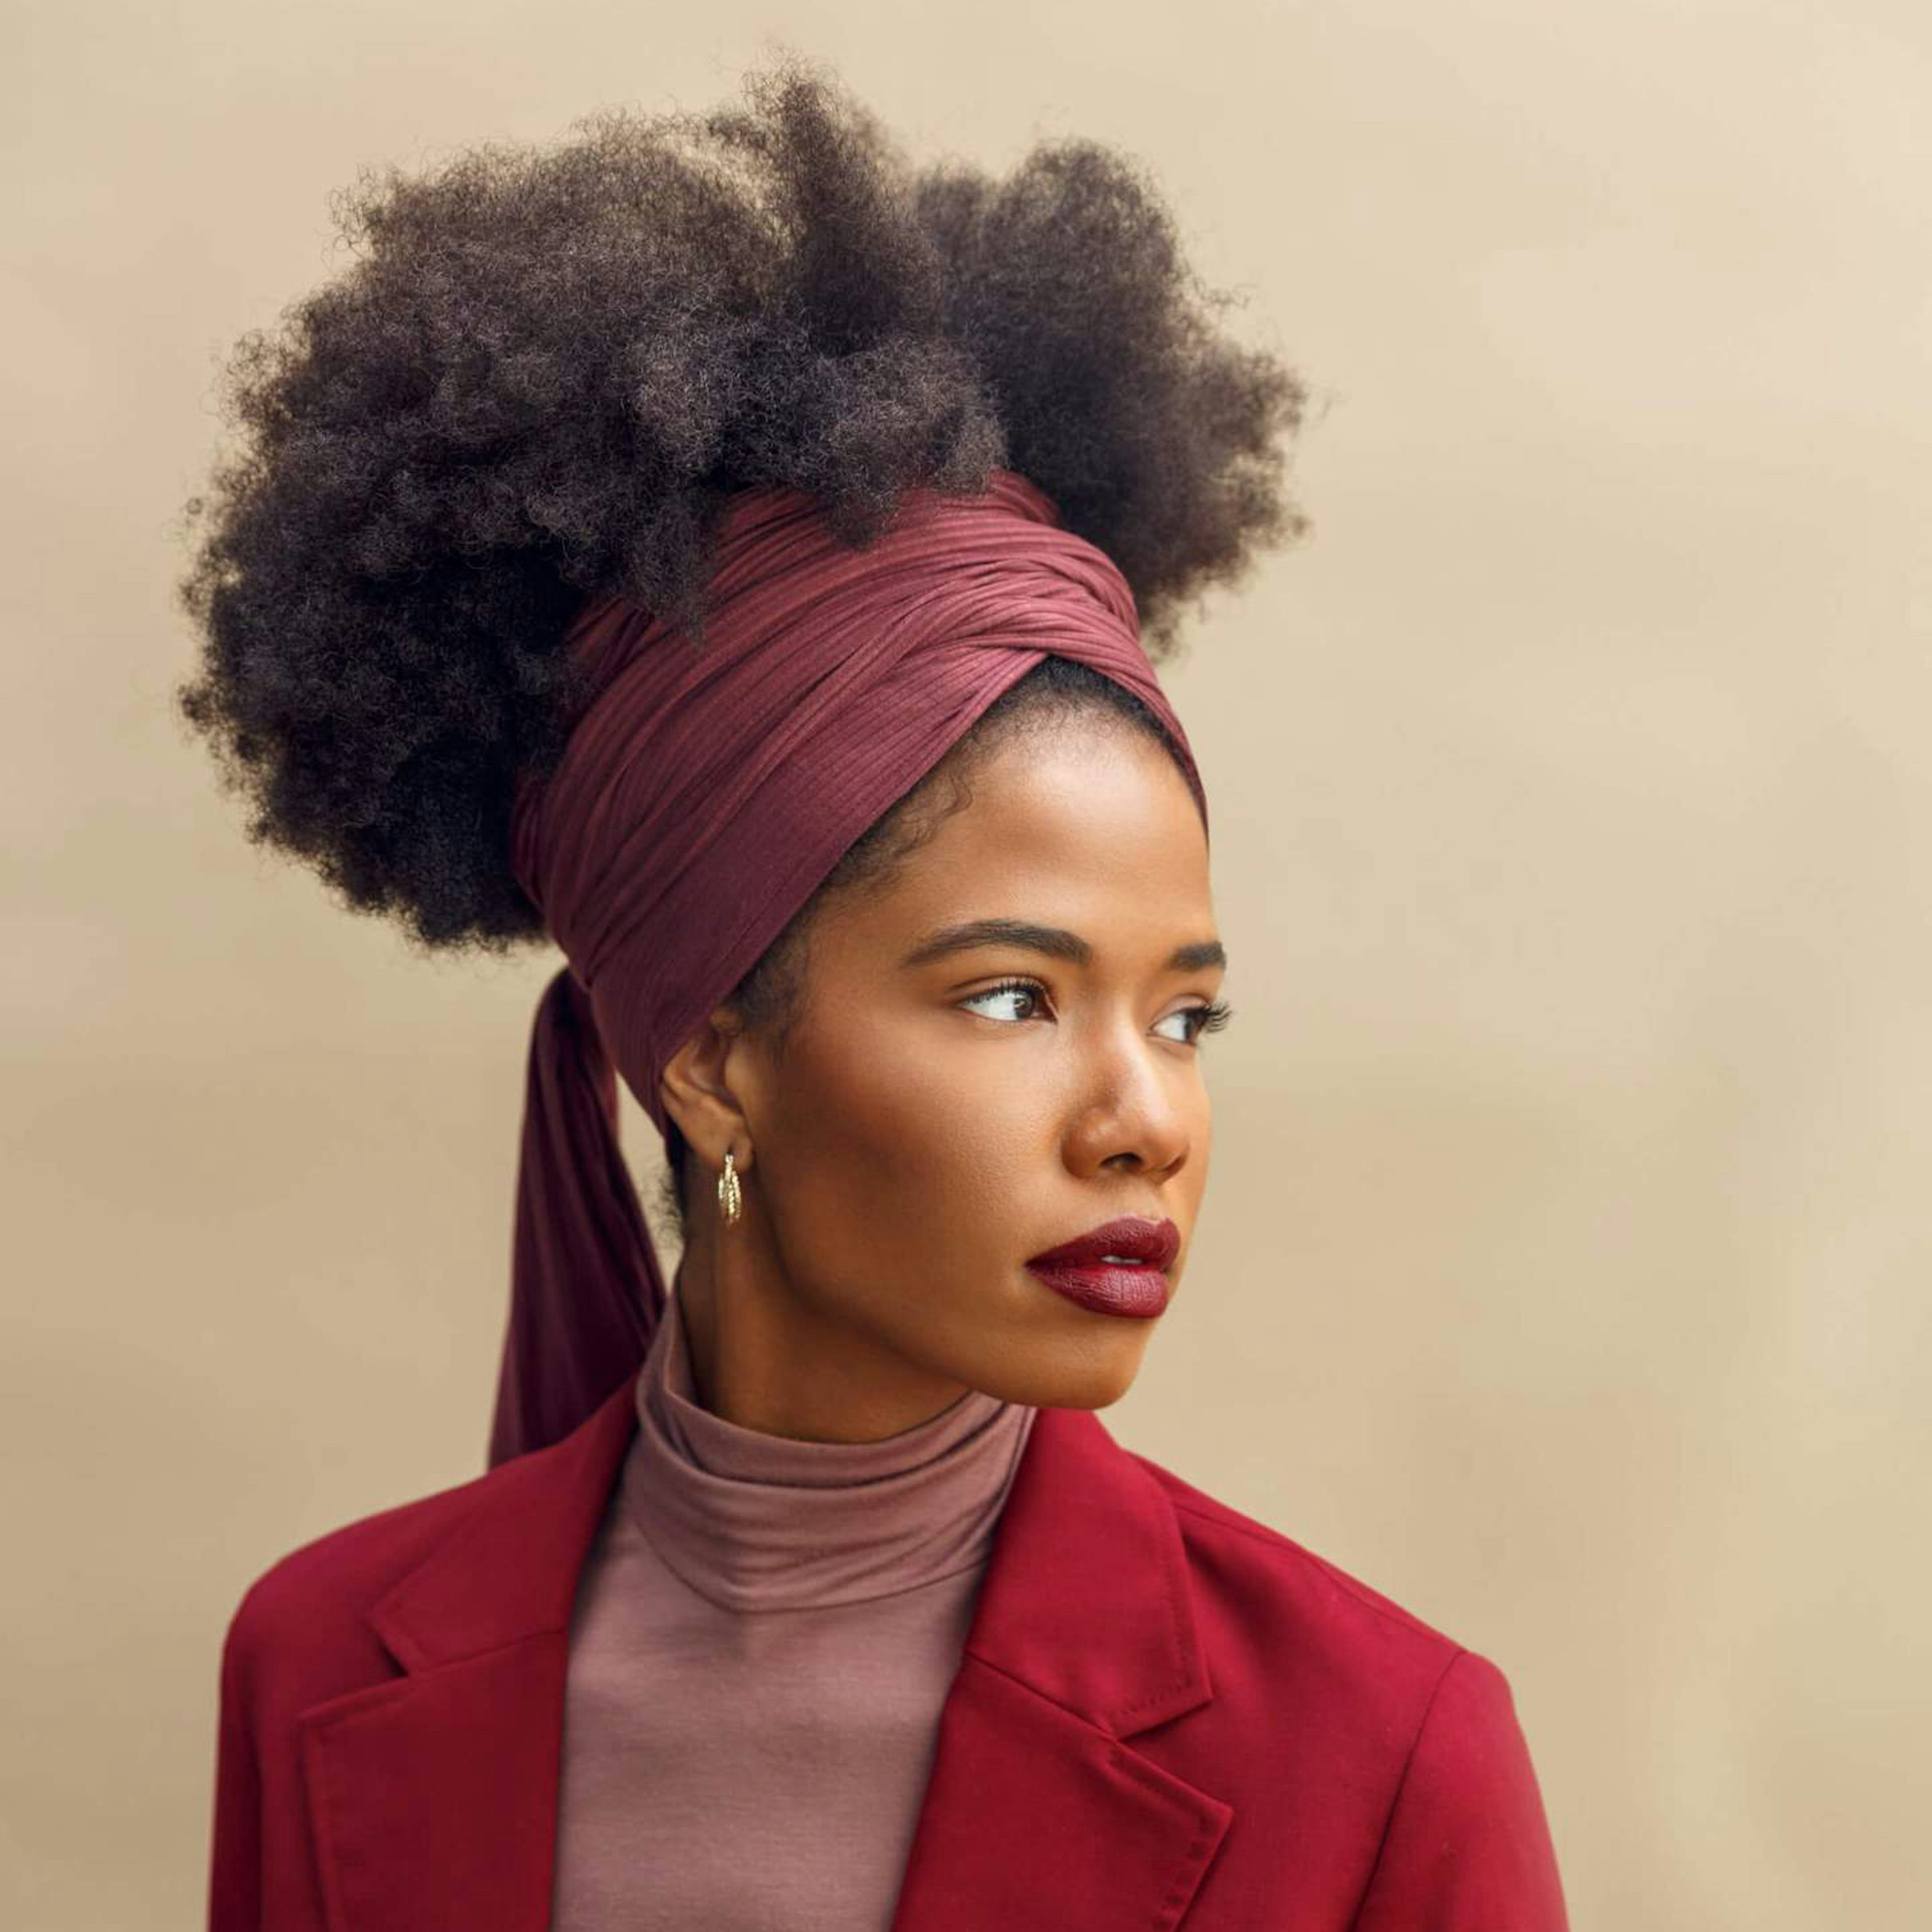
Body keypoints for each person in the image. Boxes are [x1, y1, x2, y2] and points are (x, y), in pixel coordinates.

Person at [178, 56, 1570, 1932]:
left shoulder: (1383, 1754)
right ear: (712, 1062)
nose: (1144, 1117)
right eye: (1013, 999)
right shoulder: (324, 1668)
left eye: (1187, 1014)